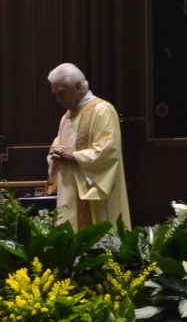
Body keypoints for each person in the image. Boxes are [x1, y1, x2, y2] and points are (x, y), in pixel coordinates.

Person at [46, 63, 131, 231]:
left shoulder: (102, 110)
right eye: (55, 95)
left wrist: (75, 156)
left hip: (94, 196)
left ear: (77, 86)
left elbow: (109, 151)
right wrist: (54, 154)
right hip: (70, 193)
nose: (58, 100)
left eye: (61, 94)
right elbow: (58, 147)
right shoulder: (66, 117)